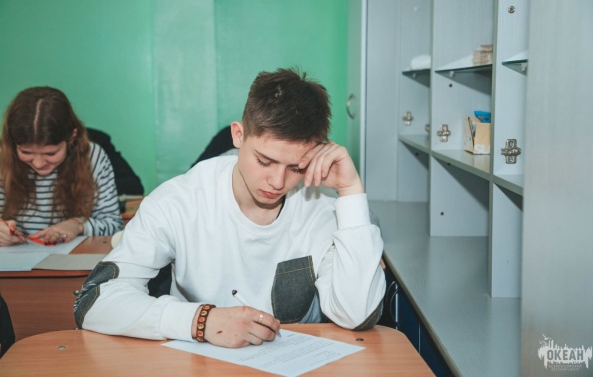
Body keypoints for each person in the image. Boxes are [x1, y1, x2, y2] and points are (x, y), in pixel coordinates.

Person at [75, 68, 386, 347]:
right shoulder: (179, 200)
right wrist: (201, 320)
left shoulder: (325, 208)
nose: (277, 181)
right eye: (264, 161)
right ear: (238, 135)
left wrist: (350, 190)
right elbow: (93, 302)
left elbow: (356, 314)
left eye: (296, 167)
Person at [0, 86, 123, 246]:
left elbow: (114, 225)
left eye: (50, 153)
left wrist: (77, 226)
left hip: (75, 259)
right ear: (12, 142)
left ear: (72, 137)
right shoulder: (3, 158)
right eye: (26, 152)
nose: (38, 163)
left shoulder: (92, 157)